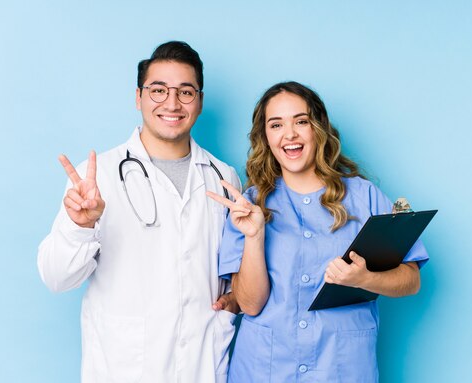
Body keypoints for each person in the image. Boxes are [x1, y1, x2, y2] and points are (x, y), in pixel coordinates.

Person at [38, 41, 241, 383]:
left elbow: (228, 268)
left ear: (200, 101)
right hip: (124, 369)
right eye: (158, 90)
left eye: (186, 92)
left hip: (203, 368)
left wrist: (235, 298)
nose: (172, 103)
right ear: (139, 97)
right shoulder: (98, 175)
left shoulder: (223, 176)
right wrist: (79, 227)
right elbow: (56, 278)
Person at [208, 81, 429, 382]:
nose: (290, 134)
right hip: (266, 369)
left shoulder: (365, 197)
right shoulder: (250, 204)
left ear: (319, 128)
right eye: (276, 125)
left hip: (341, 369)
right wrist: (255, 236)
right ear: (266, 137)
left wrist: (366, 279)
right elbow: (250, 303)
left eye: (301, 121)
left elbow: (411, 279)